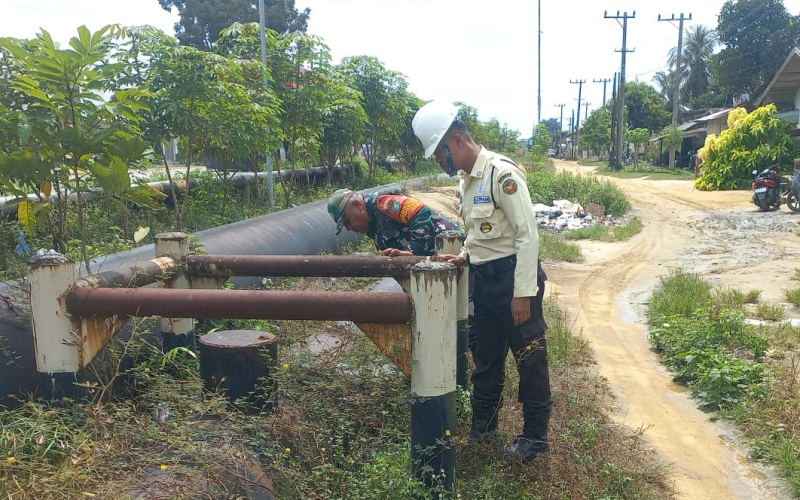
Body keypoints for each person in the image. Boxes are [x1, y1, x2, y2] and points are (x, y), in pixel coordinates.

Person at [412, 101, 551, 463]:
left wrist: (523, 293)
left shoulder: (500, 175)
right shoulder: (467, 181)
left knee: (529, 359)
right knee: (486, 359)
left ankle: (535, 439)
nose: (439, 164)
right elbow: (480, 234)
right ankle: (483, 429)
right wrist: (464, 257)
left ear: (456, 141)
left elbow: (526, 236)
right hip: (485, 284)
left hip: (514, 282)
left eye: (439, 155)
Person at [327, 187, 462, 256]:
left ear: (358, 205)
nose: (349, 228)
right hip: (434, 261)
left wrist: (412, 251)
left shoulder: (382, 203)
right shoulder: (370, 226)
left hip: (453, 247)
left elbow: (420, 212)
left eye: (347, 221)